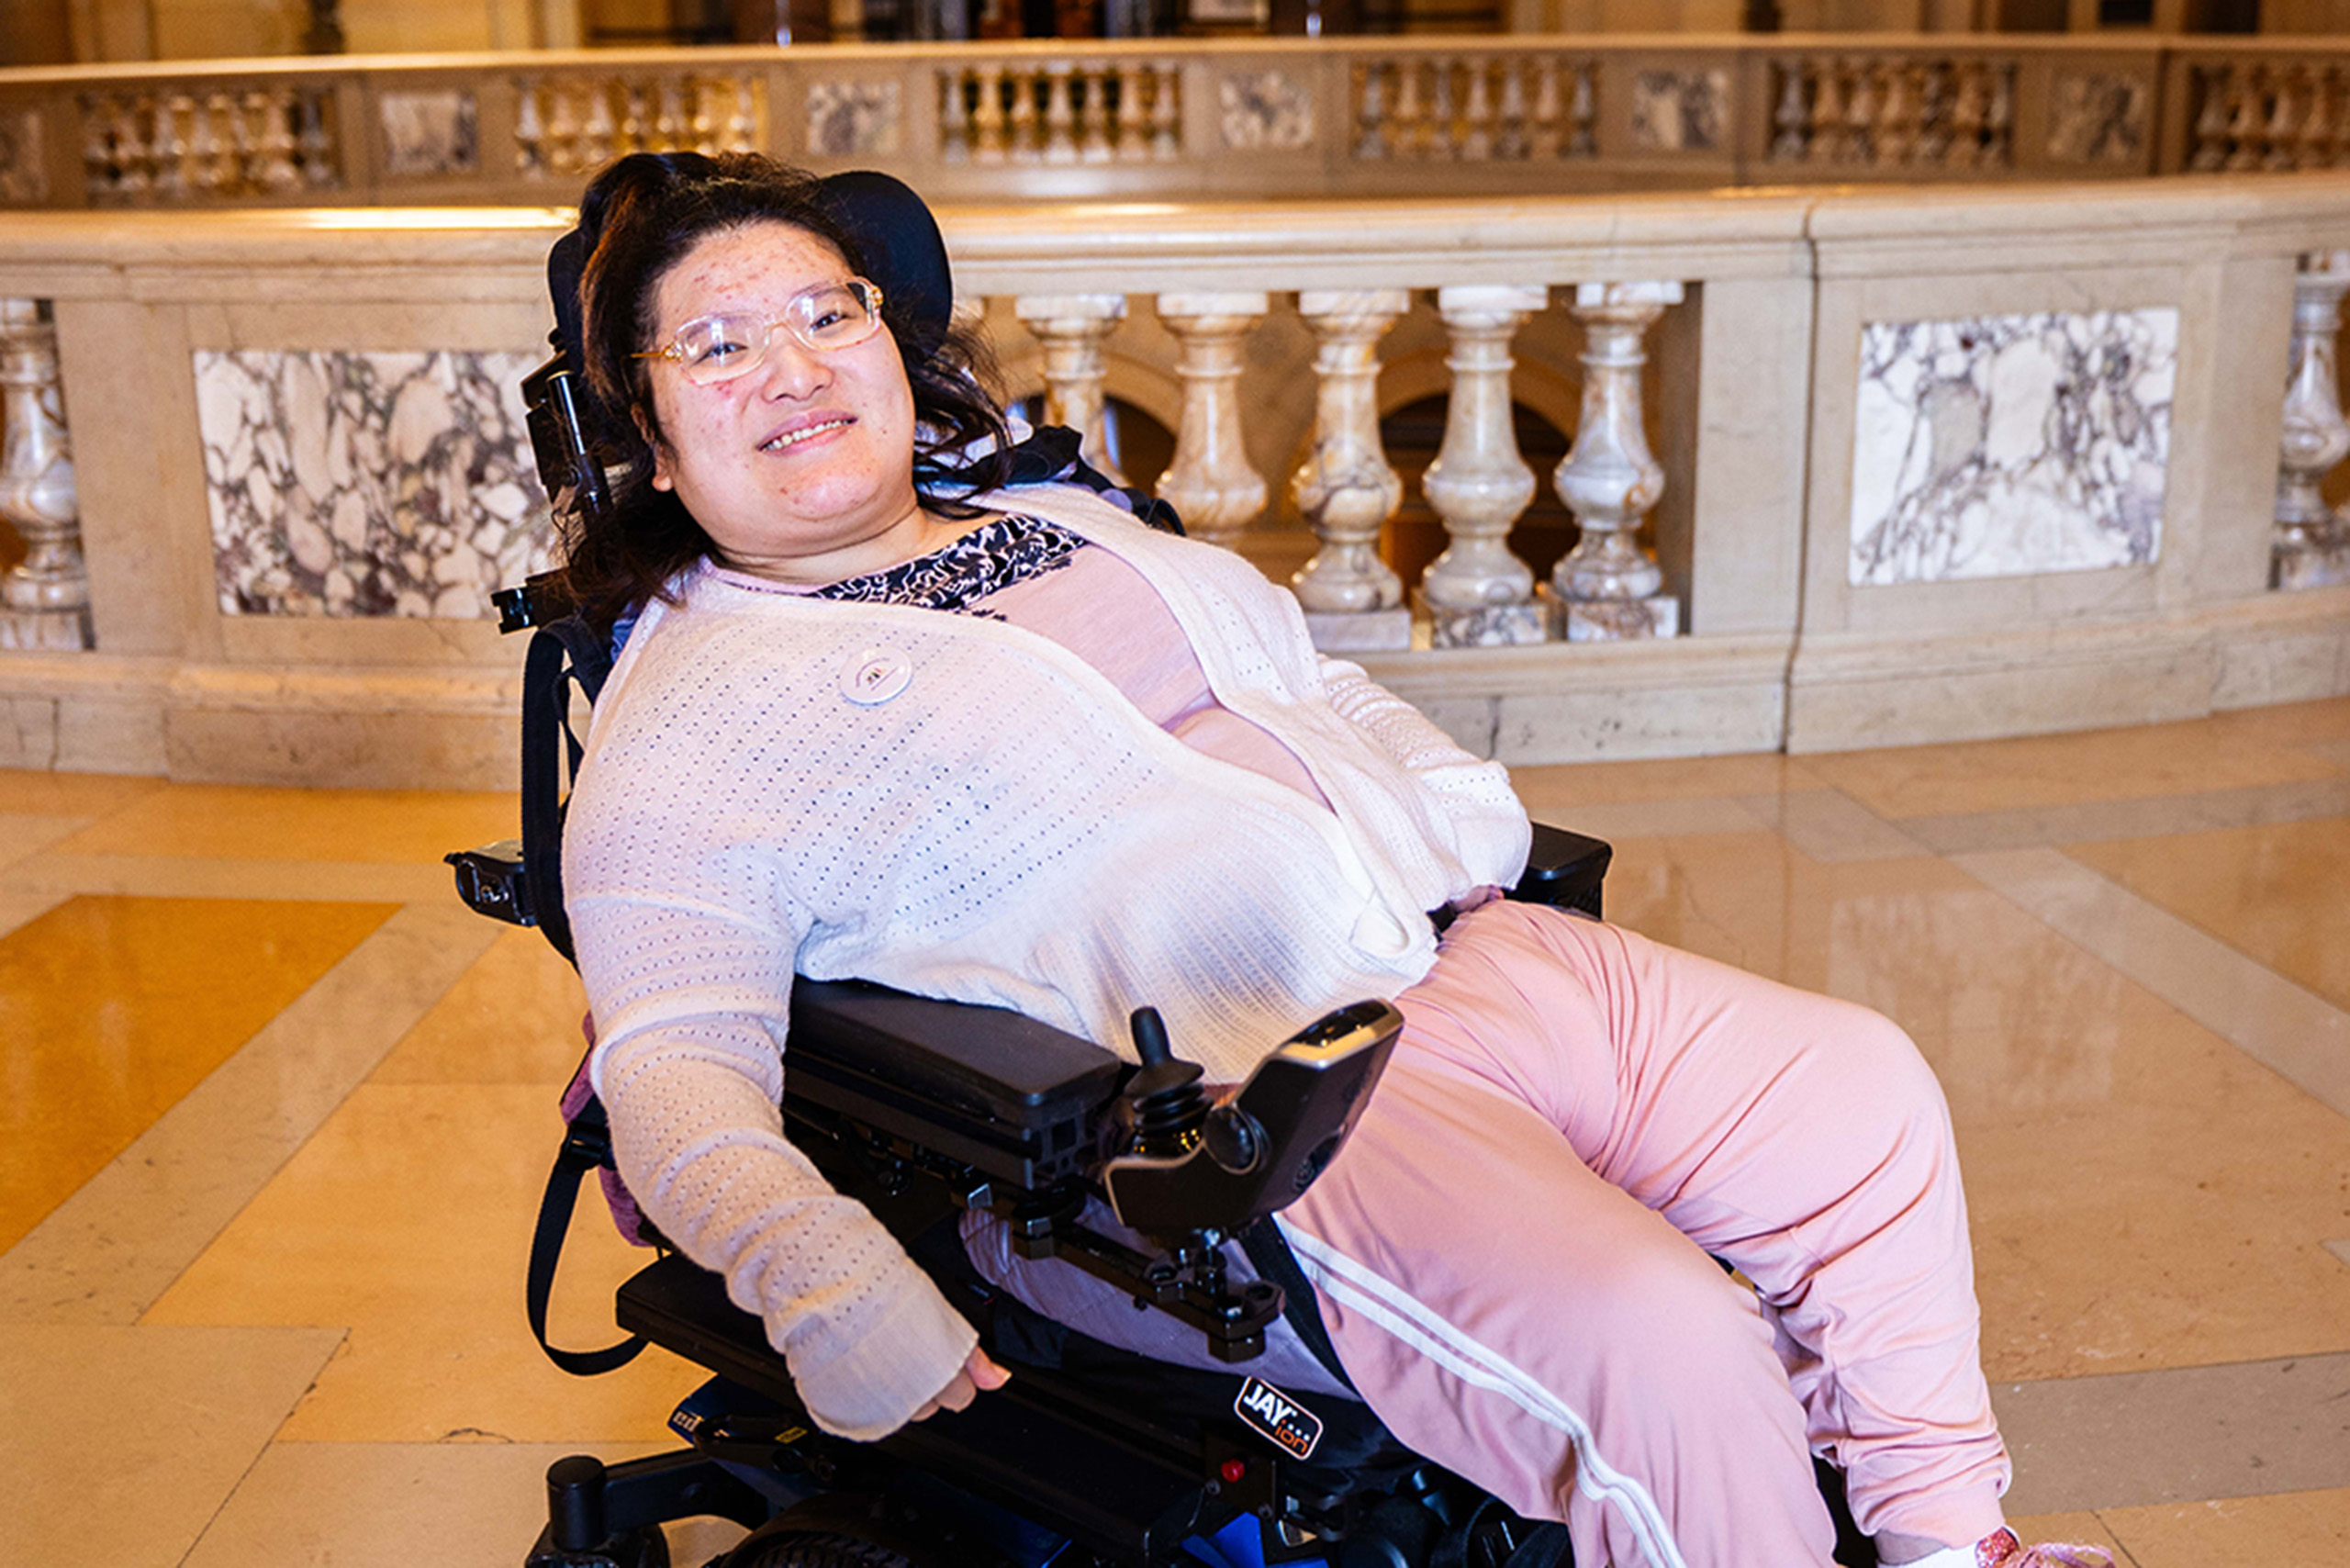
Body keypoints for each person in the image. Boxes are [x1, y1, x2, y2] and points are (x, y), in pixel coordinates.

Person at [554, 150, 2108, 1568]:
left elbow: (1303, 682)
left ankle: (1948, 1545)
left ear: (897, 346)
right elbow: (672, 1067)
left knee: (1864, 1094)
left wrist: (1446, 804)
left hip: (1473, 951)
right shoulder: (696, 708)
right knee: (1672, 1348)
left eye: (827, 311)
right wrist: (814, 1263)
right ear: (649, 436)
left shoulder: (1066, 520)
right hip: (1272, 1099)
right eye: (719, 342)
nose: (794, 366)